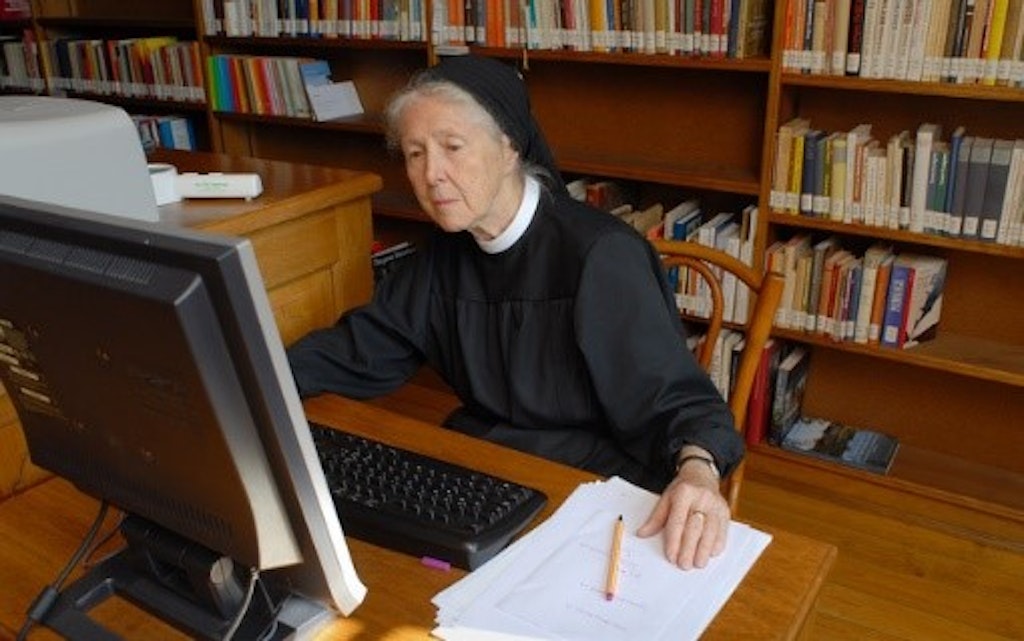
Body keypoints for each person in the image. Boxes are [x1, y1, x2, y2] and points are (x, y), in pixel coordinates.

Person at [286, 55, 744, 570]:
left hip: (593, 487)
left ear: (508, 147)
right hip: (491, 471)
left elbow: (680, 402)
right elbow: (357, 350)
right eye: (414, 154)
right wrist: (251, 378)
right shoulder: (439, 258)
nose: (431, 174)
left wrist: (699, 471)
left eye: (452, 148)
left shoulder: (600, 256)